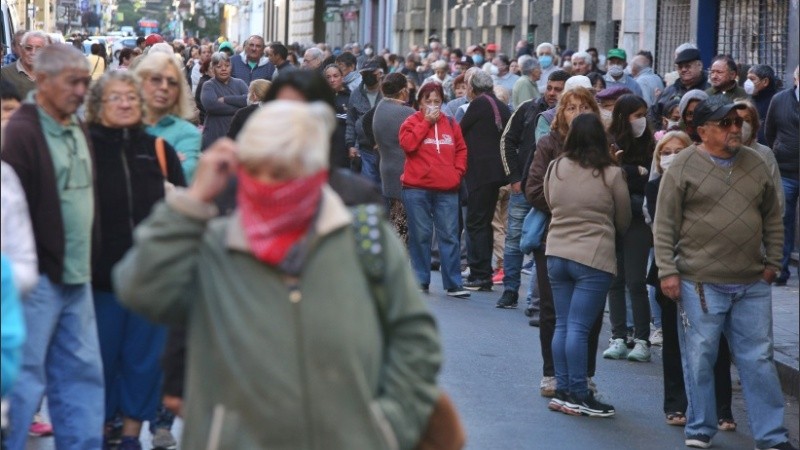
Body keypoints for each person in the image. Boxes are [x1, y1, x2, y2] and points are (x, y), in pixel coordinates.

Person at [112, 100, 442, 449]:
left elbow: (415, 340)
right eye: (258, 170)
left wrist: (387, 426)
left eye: (285, 169)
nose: (271, 184)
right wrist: (192, 201)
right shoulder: (218, 242)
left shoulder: (364, 239)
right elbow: (139, 288)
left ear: (315, 168)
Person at [654, 95, 793, 450]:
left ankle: (772, 435)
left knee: (759, 359)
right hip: (700, 282)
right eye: (725, 123)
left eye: (737, 122)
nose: (735, 128)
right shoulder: (683, 165)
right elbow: (664, 223)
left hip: (751, 281)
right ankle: (700, 427)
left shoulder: (757, 162)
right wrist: (667, 271)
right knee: (700, 356)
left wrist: (773, 263)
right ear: (702, 131)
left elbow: (772, 217)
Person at [1, 43, 104, 450]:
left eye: (85, 82)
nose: (81, 91)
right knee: (24, 382)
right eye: (72, 82)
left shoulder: (76, 125)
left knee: (82, 378)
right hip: (38, 279)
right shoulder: (22, 134)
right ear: (41, 81)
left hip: (77, 274)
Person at [85, 70, 186, 450]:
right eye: (115, 98)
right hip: (99, 279)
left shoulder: (157, 149)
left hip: (149, 280)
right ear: (97, 105)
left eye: (130, 96)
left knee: (144, 363)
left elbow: (182, 210)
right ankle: (100, 430)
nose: (125, 103)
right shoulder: (85, 147)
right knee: (100, 361)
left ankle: (130, 435)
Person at [644, 130, 736, 431]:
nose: (670, 156)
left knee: (716, 341)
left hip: (710, 271)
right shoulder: (656, 186)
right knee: (673, 341)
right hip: (671, 270)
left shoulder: (711, 181)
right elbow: (662, 231)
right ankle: (675, 404)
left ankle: (723, 408)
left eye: (677, 150)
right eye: (665, 151)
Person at [544, 113, 630, 418]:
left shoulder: (556, 167)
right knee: (579, 328)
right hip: (593, 255)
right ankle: (579, 394)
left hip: (557, 252)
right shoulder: (611, 173)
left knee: (564, 324)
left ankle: (563, 389)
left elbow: (550, 201)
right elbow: (623, 218)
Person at [525, 87, 602, 397]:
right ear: (561, 114)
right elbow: (533, 188)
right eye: (571, 108)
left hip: (594, 241)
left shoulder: (604, 146)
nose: (578, 113)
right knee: (552, 309)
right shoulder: (548, 144)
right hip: (553, 235)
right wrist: (568, 207)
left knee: (591, 315)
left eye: (585, 107)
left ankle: (585, 374)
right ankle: (552, 373)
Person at [399, 81, 469, 298]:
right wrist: (426, 123)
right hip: (416, 188)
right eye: (427, 101)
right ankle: (420, 279)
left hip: (447, 188)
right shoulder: (411, 121)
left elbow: (461, 149)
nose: (432, 105)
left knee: (449, 235)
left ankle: (453, 283)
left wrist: (457, 173)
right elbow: (408, 145)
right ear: (419, 102)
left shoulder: (451, 123)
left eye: (437, 101)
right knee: (421, 235)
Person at [603, 94, 655, 363]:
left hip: (638, 219)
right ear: (624, 117)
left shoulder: (650, 143)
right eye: (636, 115)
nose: (642, 120)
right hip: (612, 218)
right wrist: (634, 171)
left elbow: (650, 179)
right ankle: (619, 336)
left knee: (636, 280)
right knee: (615, 279)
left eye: (644, 114)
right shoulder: (609, 141)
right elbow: (609, 176)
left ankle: (643, 338)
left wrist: (628, 171)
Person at [460, 68, 511, 291]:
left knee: (475, 222)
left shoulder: (480, 103)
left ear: (472, 88)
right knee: (484, 222)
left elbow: (460, 130)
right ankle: (484, 273)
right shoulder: (500, 104)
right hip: (494, 173)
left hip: (481, 173)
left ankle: (480, 274)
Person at [134, 52, 202, 183]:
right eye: (156, 79)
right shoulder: (124, 124)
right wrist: (167, 161)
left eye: (172, 82)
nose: (164, 87)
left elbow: (182, 179)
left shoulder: (188, 133)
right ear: (140, 82)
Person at [764, 65, 799, 286]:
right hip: (786, 170)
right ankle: (781, 269)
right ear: (795, 78)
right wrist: (779, 149)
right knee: (783, 220)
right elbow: (769, 131)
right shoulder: (779, 100)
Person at [373, 73, 416, 242]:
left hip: (386, 167)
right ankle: (398, 259)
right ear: (404, 90)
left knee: (394, 214)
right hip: (403, 170)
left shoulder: (381, 106)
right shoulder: (406, 112)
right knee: (401, 219)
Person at [736, 99, 783, 210]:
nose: (742, 125)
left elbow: (777, 197)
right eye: (737, 120)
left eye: (747, 120)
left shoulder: (764, 154)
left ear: (754, 126)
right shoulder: (722, 154)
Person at [346, 57, 385, 185]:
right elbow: (351, 121)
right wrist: (350, 144)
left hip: (386, 148)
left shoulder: (387, 92)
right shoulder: (356, 94)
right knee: (369, 184)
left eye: (370, 73)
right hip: (364, 148)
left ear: (379, 74)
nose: (366, 76)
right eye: (364, 74)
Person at [200, 52, 248, 150]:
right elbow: (212, 105)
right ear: (212, 68)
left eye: (227, 65)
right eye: (219, 66)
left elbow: (248, 100)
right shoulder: (209, 85)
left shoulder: (240, 83)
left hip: (237, 137)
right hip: (214, 136)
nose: (224, 69)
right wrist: (239, 108)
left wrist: (226, 99)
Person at [0, 31, 48, 99]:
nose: (33, 53)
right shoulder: (5, 73)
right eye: (28, 48)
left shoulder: (51, 75)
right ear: (22, 49)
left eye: (38, 49)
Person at [322, 64, 351, 169]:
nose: (332, 80)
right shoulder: (321, 98)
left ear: (342, 77)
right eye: (328, 77)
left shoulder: (350, 97)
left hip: (344, 148)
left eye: (335, 76)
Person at [745, 64, 778, 145]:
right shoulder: (749, 100)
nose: (748, 83)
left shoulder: (777, 101)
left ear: (765, 82)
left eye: (752, 79)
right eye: (747, 79)